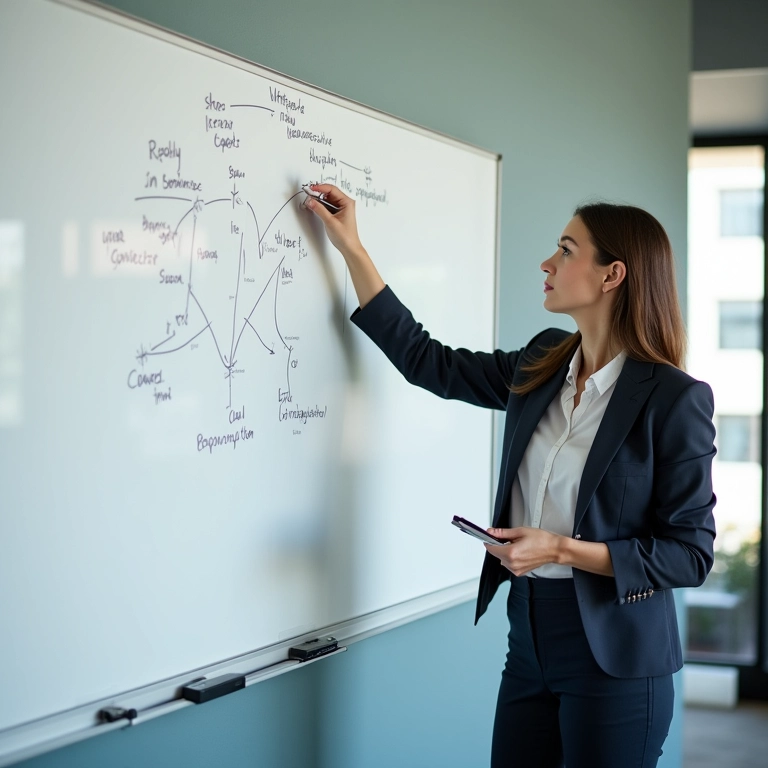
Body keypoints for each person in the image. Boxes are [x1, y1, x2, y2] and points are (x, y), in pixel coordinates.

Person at [304, 184, 717, 768]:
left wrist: (560, 549)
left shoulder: (674, 399)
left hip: (616, 655)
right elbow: (429, 361)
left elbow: (689, 554)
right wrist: (352, 249)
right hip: (529, 636)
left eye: (567, 250)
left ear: (611, 275)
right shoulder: (542, 360)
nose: (548, 263)